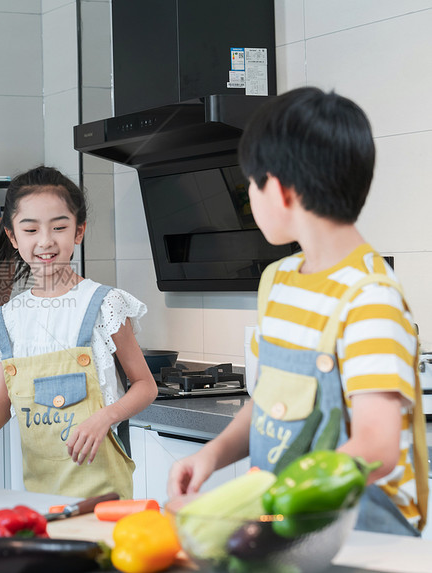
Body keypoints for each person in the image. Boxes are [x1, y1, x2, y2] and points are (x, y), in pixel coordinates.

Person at [167, 87, 428, 535]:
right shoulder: (279, 281)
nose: (250, 195)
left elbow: (376, 448)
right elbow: (270, 400)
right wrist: (211, 454)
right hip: (291, 523)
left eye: (251, 183)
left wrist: (256, 500)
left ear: (282, 191)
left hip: (364, 529)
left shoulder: (370, 298)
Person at [0, 166, 158, 499]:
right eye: (30, 230)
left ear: (78, 231)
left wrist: (105, 417)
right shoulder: (7, 320)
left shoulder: (104, 304)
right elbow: (2, 404)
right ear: (13, 237)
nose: (45, 241)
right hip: (39, 493)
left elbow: (145, 386)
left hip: (105, 493)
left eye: (59, 227)